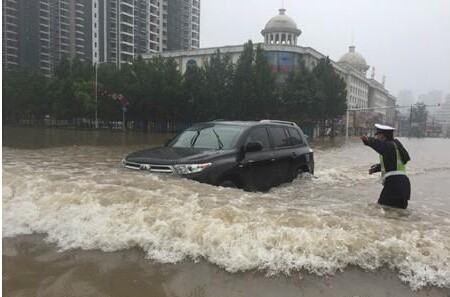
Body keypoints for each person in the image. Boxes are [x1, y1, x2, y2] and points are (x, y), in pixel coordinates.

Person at [361, 124, 411, 209]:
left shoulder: (389, 145)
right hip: (404, 185)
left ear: (383, 136)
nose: (377, 137)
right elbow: (393, 162)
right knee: (398, 214)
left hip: (394, 184)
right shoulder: (396, 146)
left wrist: (368, 141)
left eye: (377, 135)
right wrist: (377, 168)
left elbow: (379, 145)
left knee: (382, 209)